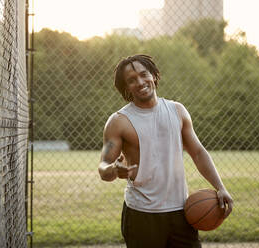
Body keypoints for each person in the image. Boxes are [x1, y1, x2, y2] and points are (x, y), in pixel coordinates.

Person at [98, 54, 233, 248]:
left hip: (181, 212)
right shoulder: (118, 121)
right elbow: (103, 167)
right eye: (132, 80)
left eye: (144, 74)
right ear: (126, 87)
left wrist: (220, 187)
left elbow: (198, 153)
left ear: (153, 75)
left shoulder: (177, 111)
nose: (140, 82)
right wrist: (114, 169)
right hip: (141, 214)